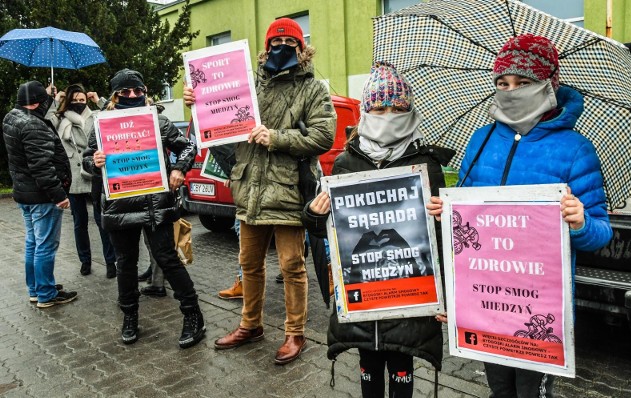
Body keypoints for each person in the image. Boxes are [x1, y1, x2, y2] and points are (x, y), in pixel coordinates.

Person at [427, 34, 613, 398]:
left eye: (523, 83)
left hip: (538, 308)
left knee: (531, 392)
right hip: (486, 300)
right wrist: (445, 212)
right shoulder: (481, 139)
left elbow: (601, 232)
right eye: (503, 83)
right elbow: (465, 219)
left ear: (548, 85)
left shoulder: (576, 149)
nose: (511, 91)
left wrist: (579, 223)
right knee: (500, 389)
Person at [184, 17, 336, 364]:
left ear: (302, 50)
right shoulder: (249, 83)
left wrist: (277, 137)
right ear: (264, 48)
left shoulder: (313, 88)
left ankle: (295, 333)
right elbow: (219, 119)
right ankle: (250, 325)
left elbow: (324, 136)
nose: (281, 48)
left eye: (290, 43)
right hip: (250, 187)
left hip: (287, 192)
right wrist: (198, 100)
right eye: (274, 43)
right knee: (248, 264)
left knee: (291, 266)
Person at [302, 62, 455, 397]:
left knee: (402, 370)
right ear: (365, 111)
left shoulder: (426, 165)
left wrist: (445, 217)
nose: (388, 115)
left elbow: (445, 239)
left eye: (398, 108)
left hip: (410, 299)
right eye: (380, 107)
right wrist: (313, 214)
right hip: (364, 300)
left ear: (411, 111)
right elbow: (323, 232)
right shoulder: (345, 162)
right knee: (368, 372)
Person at [83, 68, 205, 348]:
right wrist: (95, 161)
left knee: (168, 260)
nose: (132, 96)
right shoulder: (102, 125)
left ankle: (193, 315)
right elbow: (86, 160)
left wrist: (178, 169)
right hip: (118, 204)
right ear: (115, 96)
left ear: (145, 92)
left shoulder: (159, 122)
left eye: (138, 91)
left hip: (155, 204)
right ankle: (129, 317)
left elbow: (187, 148)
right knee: (125, 264)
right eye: (125, 92)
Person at [3, 80, 78, 308]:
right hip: (42, 196)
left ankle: (36, 289)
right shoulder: (34, 126)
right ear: (36, 104)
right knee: (45, 245)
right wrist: (59, 195)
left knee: (33, 243)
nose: (48, 105)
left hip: (24, 193)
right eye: (44, 101)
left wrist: (47, 94)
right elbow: (42, 167)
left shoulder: (12, 118)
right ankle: (46, 294)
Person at [46, 84, 117, 278]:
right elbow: (46, 119)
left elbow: (113, 115)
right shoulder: (60, 118)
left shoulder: (95, 116)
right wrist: (52, 99)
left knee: (102, 220)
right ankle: (85, 262)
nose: (78, 103)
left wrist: (99, 100)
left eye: (82, 100)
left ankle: (111, 263)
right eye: (74, 100)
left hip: (93, 172)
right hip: (73, 176)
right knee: (79, 223)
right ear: (67, 101)